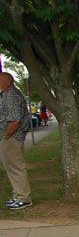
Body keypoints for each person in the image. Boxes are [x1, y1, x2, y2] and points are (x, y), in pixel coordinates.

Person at [0, 72, 33, 210]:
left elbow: (14, 121)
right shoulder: (7, 95)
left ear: (7, 82)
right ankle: (17, 195)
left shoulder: (12, 96)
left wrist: (6, 135)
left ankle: (23, 197)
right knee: (11, 167)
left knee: (16, 167)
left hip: (12, 137)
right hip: (10, 136)